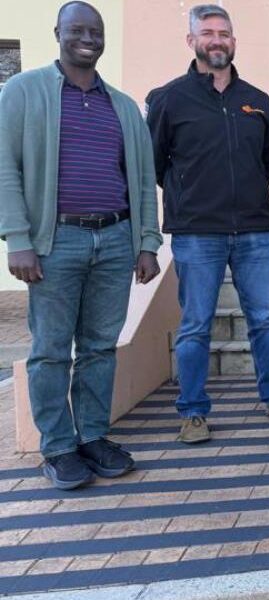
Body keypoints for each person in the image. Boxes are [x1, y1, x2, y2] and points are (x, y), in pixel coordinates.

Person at [0, 1, 162, 490]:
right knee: (51, 349)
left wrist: (147, 242)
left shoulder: (122, 105)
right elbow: (6, 167)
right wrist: (18, 239)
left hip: (115, 239)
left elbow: (143, 177)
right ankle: (58, 447)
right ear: (58, 33)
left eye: (95, 30)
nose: (87, 37)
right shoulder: (23, 90)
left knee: (98, 348)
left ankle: (93, 436)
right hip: (55, 243)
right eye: (77, 29)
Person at [147, 4, 269, 444]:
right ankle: (193, 412)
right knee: (196, 324)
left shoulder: (257, 100)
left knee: (264, 321)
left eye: (225, 33)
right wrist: (196, 196)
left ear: (234, 41)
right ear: (192, 41)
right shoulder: (169, 99)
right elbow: (155, 164)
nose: (217, 40)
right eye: (208, 32)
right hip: (198, 234)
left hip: (254, 231)